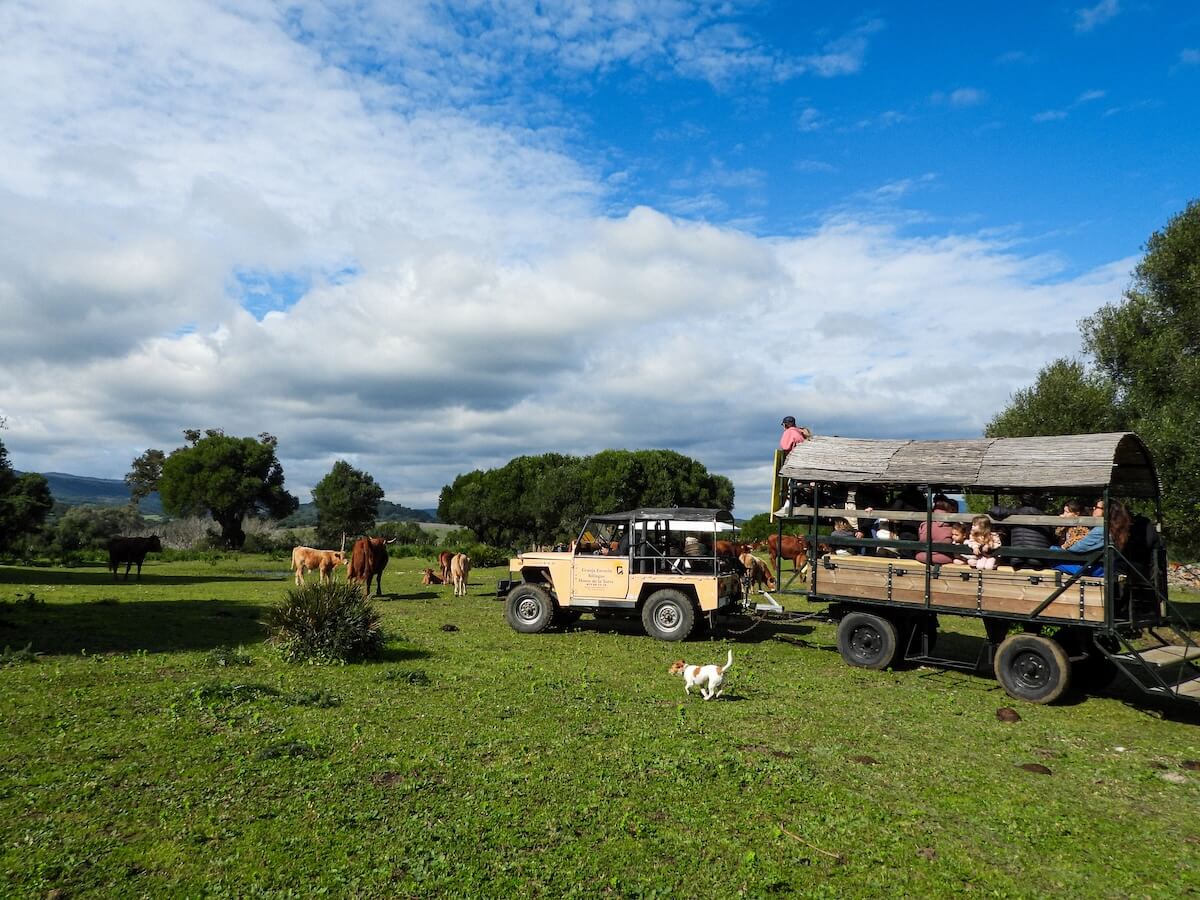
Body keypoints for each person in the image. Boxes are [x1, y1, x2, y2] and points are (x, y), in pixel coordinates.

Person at [1053, 498, 1131, 576]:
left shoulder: (1101, 530)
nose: (1094, 508)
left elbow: (1076, 548)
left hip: (1094, 569)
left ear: (1106, 511)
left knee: (1053, 550)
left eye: (1097, 507)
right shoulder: (1114, 530)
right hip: (1102, 567)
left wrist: (1064, 547)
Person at [988, 493, 1052, 570]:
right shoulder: (1044, 516)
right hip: (1037, 557)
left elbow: (995, 510)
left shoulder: (1016, 512)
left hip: (1017, 556)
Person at [915, 494, 958, 564]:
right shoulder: (953, 527)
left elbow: (922, 540)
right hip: (944, 557)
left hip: (923, 556)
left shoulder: (925, 524)